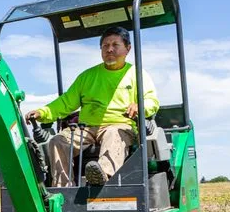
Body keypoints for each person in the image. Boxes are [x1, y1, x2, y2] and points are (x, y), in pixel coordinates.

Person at [24, 26, 158, 187]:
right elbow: (66, 102)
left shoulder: (136, 74)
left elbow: (151, 101)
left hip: (120, 125)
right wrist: (42, 112)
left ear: (128, 48)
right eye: (105, 46)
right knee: (58, 141)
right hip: (86, 128)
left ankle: (102, 177)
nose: (109, 49)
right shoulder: (87, 76)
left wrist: (139, 106)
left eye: (115, 45)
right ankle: (63, 187)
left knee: (113, 134)